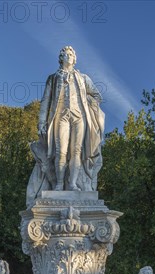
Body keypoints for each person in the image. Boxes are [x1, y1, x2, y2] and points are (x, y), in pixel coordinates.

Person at [27, 46, 105, 203]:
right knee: (60, 151)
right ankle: (59, 184)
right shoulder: (53, 78)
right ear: (61, 58)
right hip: (60, 117)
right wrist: (42, 121)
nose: (69, 56)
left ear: (75, 59)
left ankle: (73, 184)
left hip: (79, 117)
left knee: (76, 151)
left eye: (71, 54)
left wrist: (89, 101)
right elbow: (45, 101)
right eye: (66, 54)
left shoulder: (83, 78)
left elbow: (97, 95)